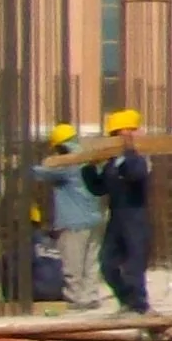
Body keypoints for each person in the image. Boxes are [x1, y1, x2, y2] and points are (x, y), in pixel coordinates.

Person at [33, 124, 112, 311]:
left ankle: (75, 299)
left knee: (72, 264)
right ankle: (90, 296)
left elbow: (38, 173)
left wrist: (21, 165)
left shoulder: (66, 163)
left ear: (59, 146)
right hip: (95, 220)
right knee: (91, 262)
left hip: (73, 222)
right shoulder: (89, 159)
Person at [88, 109, 157, 313]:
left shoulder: (140, 158)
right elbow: (99, 188)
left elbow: (136, 174)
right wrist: (89, 168)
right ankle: (126, 299)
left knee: (134, 265)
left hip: (136, 215)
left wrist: (129, 150)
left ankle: (140, 305)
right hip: (117, 216)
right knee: (107, 263)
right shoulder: (112, 163)